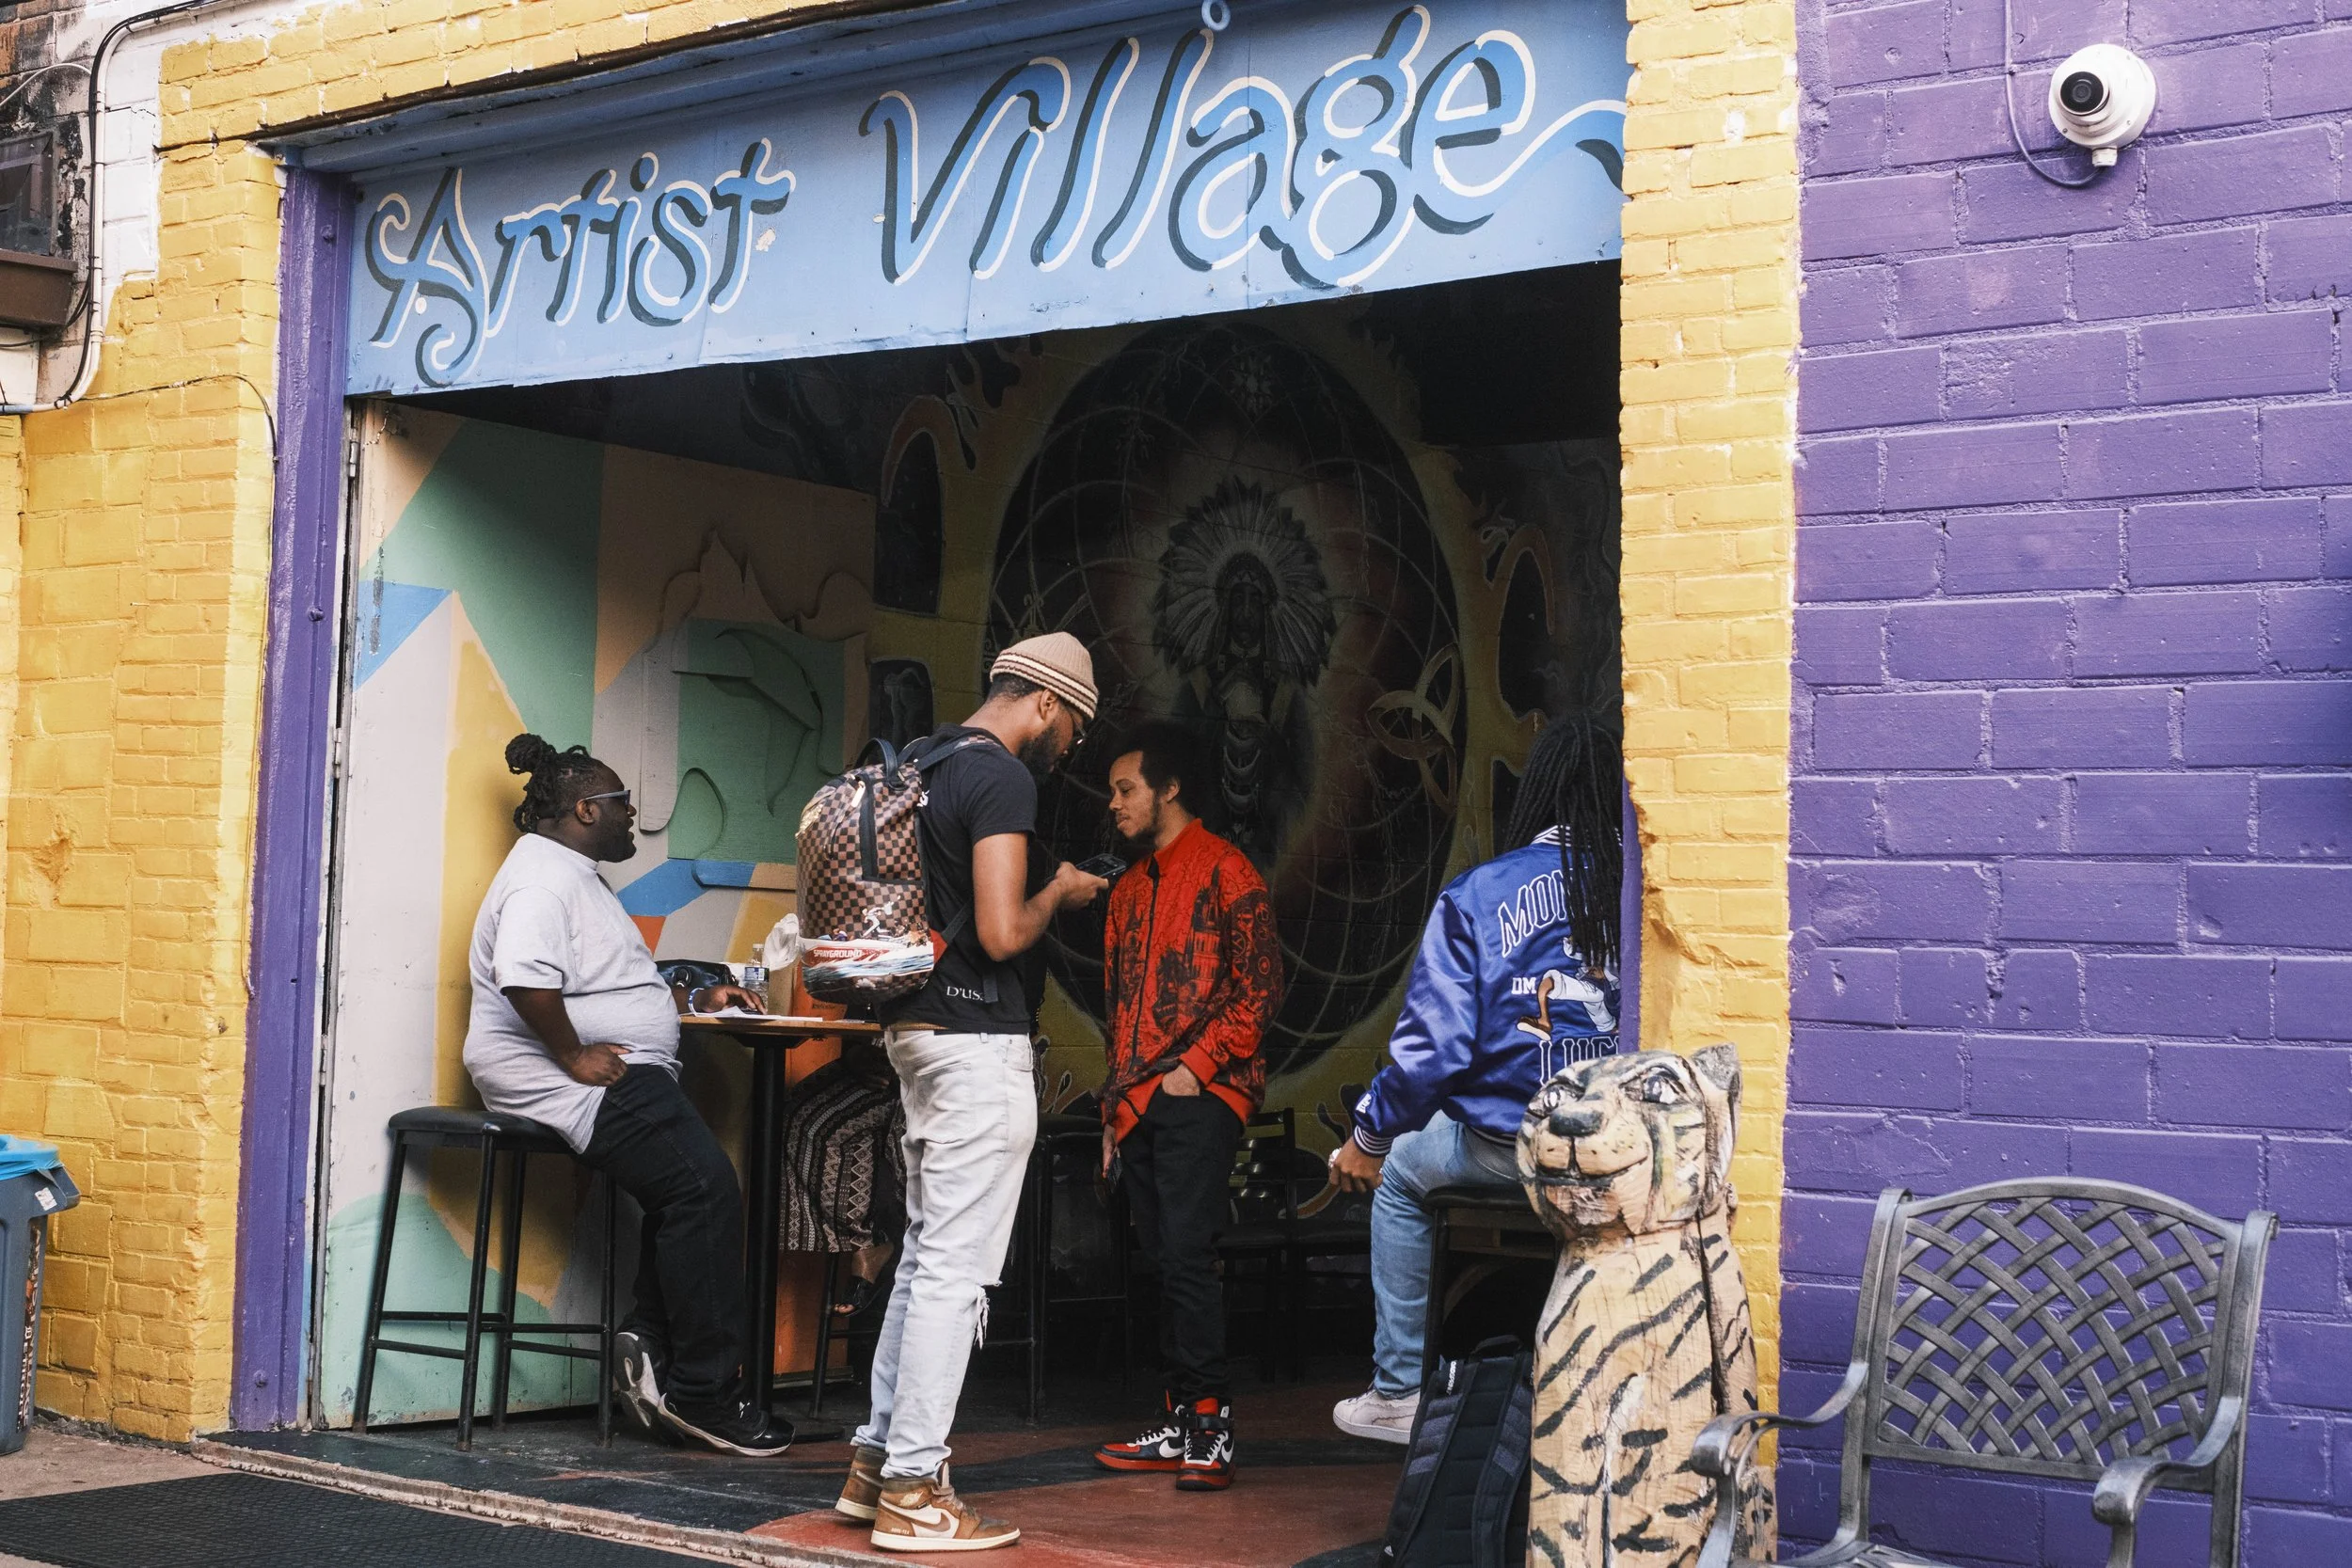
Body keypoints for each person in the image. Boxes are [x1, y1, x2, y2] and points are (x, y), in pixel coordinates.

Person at [834, 633, 1110, 1553]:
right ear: (1042, 701)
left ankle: (874, 1463)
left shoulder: (924, 761)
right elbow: (997, 929)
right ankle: (915, 1484)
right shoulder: (1000, 778)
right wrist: (1059, 889)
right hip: (976, 1042)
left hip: (911, 1028)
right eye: (1069, 726)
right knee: (957, 1269)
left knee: (922, 1256)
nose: (1065, 745)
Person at [464, 733, 794, 1457]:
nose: (634, 816)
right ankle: (705, 1394)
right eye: (623, 804)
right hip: (558, 1075)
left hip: (609, 1068)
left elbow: (601, 976)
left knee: (689, 1187)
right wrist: (572, 1053)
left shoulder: (571, 873)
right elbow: (525, 975)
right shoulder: (540, 879)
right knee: (705, 1188)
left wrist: (689, 990)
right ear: (586, 808)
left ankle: (652, 1340)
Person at [1327, 715, 1624, 1445]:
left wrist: (1367, 1134)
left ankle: (1397, 1391)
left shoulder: (1483, 892)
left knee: (1398, 1173)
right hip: (1622, 1147)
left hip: (1508, 1145)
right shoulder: (1642, 885)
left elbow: (1432, 1052)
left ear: (1539, 793)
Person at [1089, 721, 1282, 1493]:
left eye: (1125, 788)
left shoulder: (1230, 872)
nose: (1114, 805)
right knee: (1162, 1260)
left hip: (1204, 1091)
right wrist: (1112, 1112)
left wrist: (1196, 1068)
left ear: (1169, 789)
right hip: (1135, 1102)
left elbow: (1261, 991)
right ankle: (1180, 1419)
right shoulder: (1129, 890)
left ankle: (1211, 1427)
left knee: (1188, 1256)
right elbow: (1118, 1013)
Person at [781, 1038, 905, 1317]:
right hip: (889, 1055)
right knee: (801, 1122)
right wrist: (854, 1052)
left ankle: (898, 1245)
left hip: (949, 1067)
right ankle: (871, 1240)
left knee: (905, 1139)